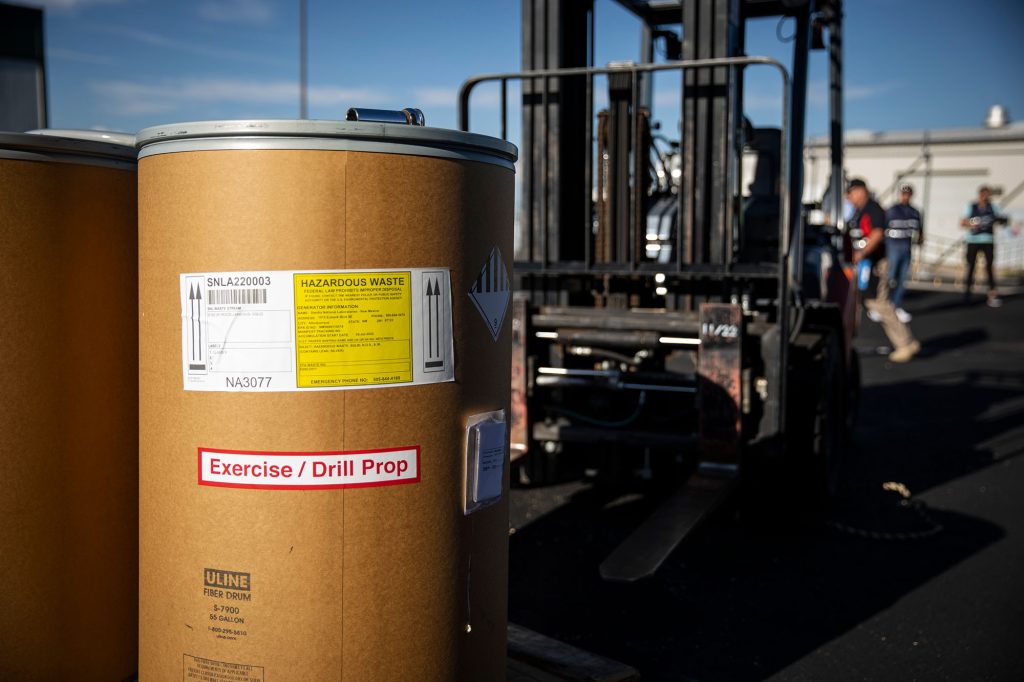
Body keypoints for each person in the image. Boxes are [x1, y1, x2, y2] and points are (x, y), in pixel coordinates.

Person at [848, 178, 920, 362]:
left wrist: (861, 253)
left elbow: (877, 234)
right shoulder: (860, 210)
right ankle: (906, 342)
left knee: (879, 302)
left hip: (875, 264)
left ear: (861, 190)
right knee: (870, 302)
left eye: (852, 193)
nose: (850, 198)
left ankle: (905, 343)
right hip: (868, 264)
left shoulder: (872, 209)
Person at [961, 185, 1008, 307]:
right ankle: (967, 294)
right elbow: (962, 222)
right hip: (973, 240)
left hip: (988, 240)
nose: (986, 198)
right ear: (980, 195)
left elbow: (1001, 219)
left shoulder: (993, 207)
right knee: (971, 267)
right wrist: (972, 224)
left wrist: (1001, 220)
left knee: (989, 267)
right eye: (984, 195)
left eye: (988, 196)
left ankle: (992, 294)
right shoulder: (971, 206)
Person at [884, 183, 923, 322]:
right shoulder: (892, 210)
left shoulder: (915, 212)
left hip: (906, 248)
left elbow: (919, 232)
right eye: (904, 193)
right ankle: (883, 305)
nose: (906, 196)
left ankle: (896, 305)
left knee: (902, 279)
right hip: (893, 247)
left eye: (908, 194)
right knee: (889, 278)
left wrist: (919, 242)